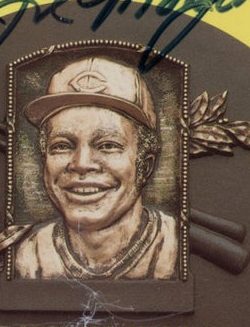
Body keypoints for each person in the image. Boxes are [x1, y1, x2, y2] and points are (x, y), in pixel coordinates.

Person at [14, 55, 178, 280]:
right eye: (62, 146)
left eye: (108, 145)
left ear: (145, 166)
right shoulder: (28, 257)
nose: (81, 164)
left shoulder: (176, 247)